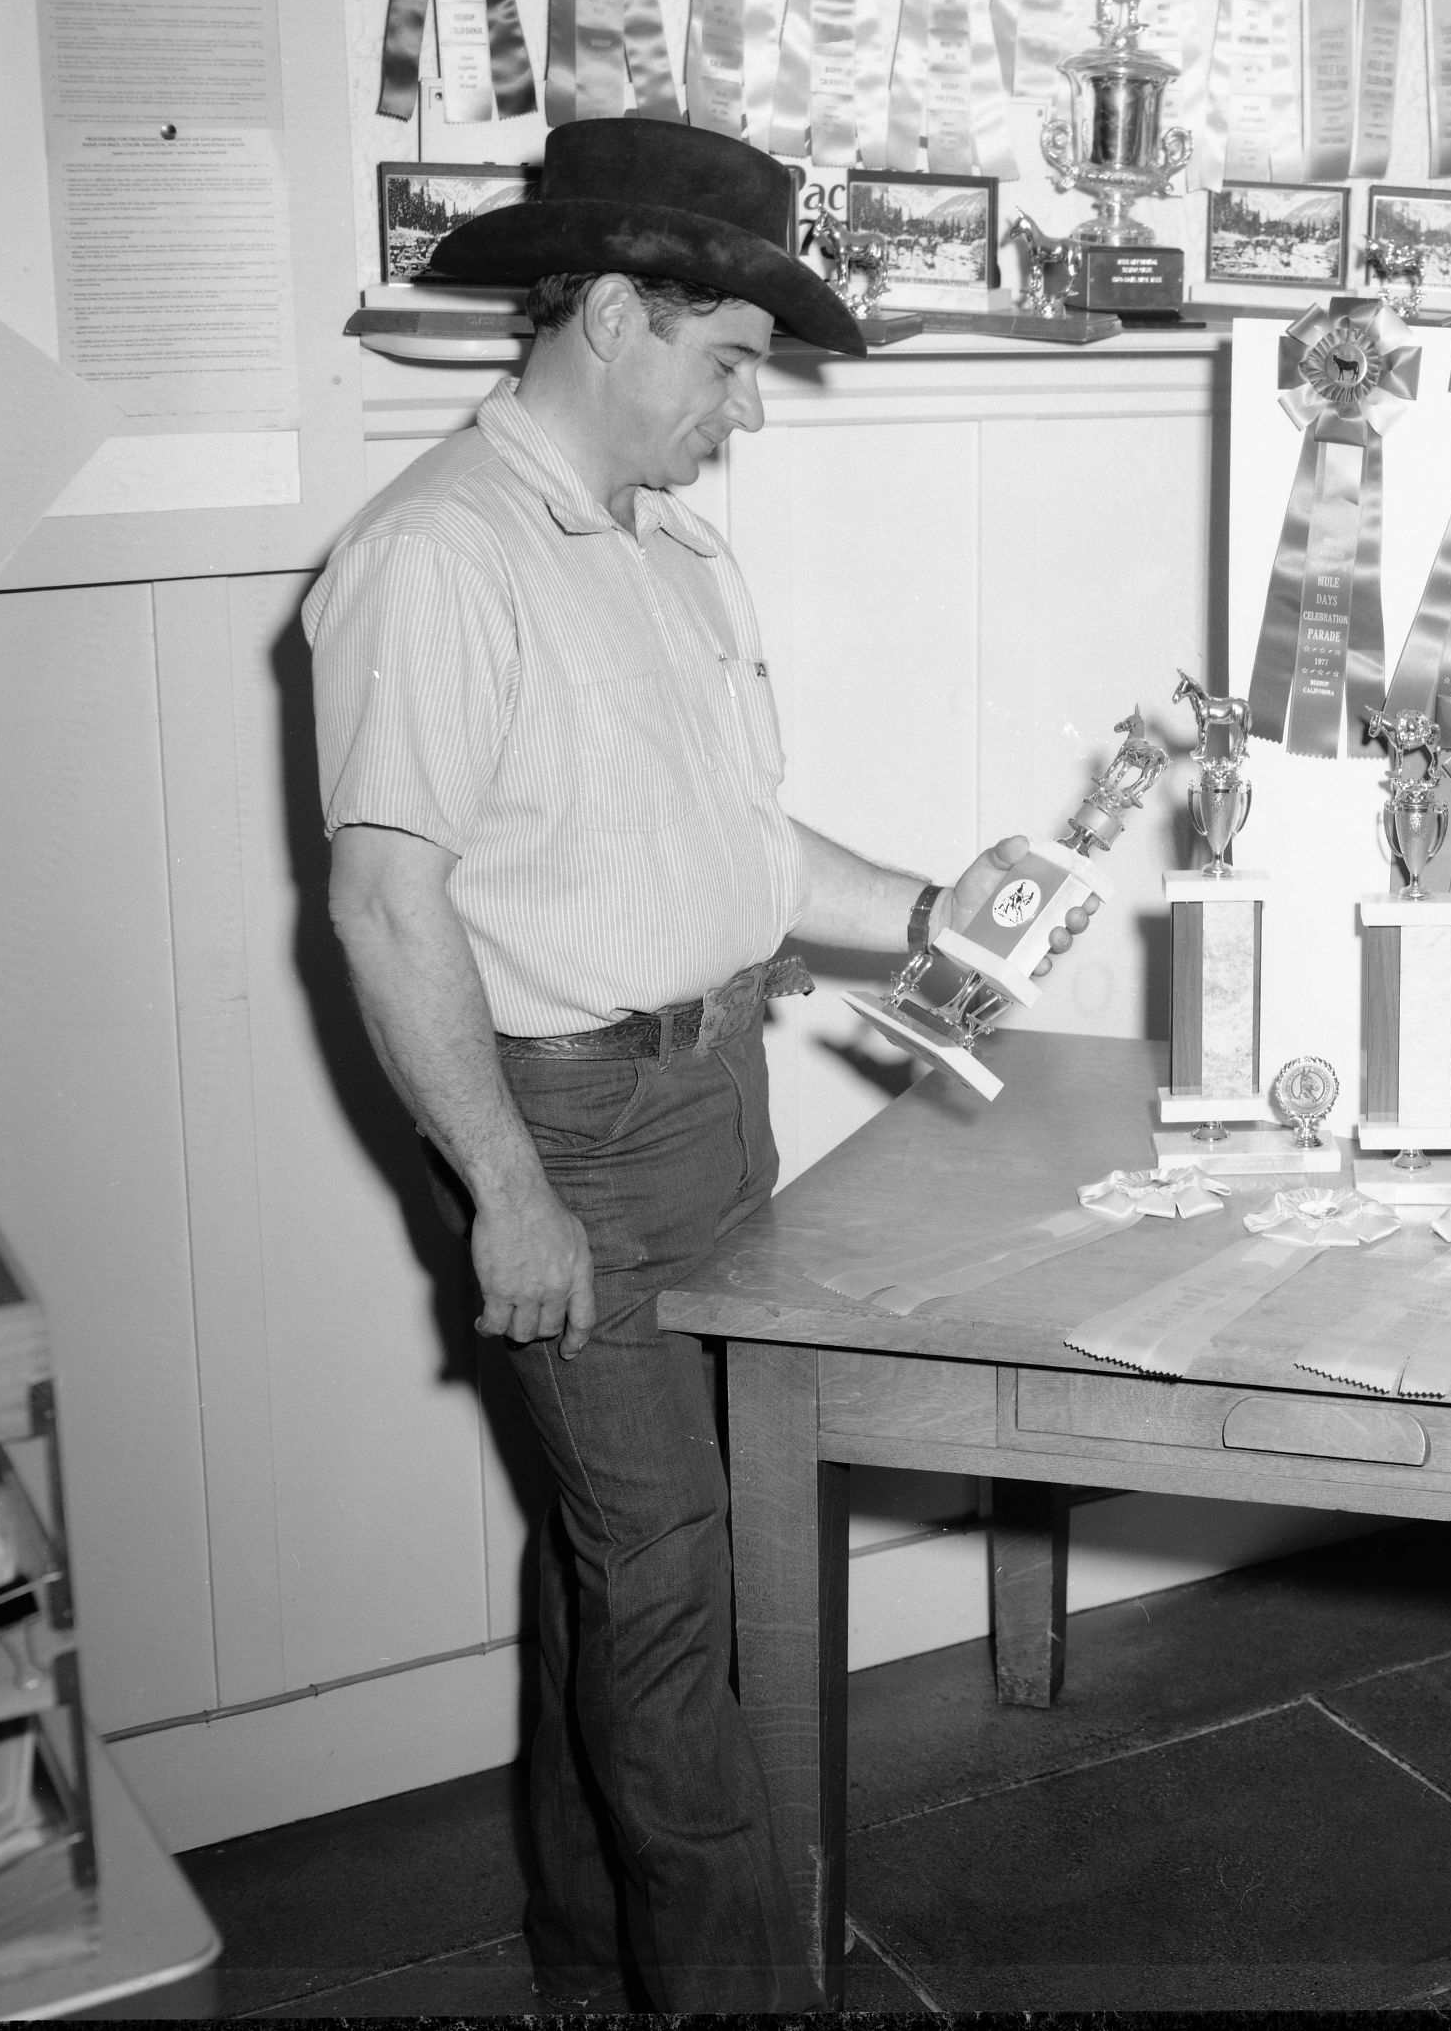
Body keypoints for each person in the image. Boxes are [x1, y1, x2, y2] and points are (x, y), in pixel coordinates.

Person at [303, 117, 1087, 2012]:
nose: (744, 410)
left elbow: (741, 853)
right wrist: (506, 1192)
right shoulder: (432, 556)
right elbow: (387, 906)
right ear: (609, 313)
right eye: (729, 361)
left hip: (709, 1095)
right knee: (674, 1612)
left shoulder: (667, 551)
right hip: (565, 1128)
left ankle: (592, 1964)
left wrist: (931, 910)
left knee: (623, 1569)